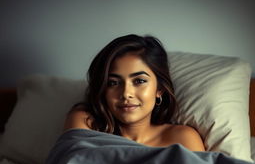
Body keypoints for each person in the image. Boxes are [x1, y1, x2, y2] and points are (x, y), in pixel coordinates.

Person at [64, 34, 205, 152]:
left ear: (159, 89)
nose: (126, 93)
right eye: (113, 83)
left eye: (139, 81)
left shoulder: (182, 138)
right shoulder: (86, 122)